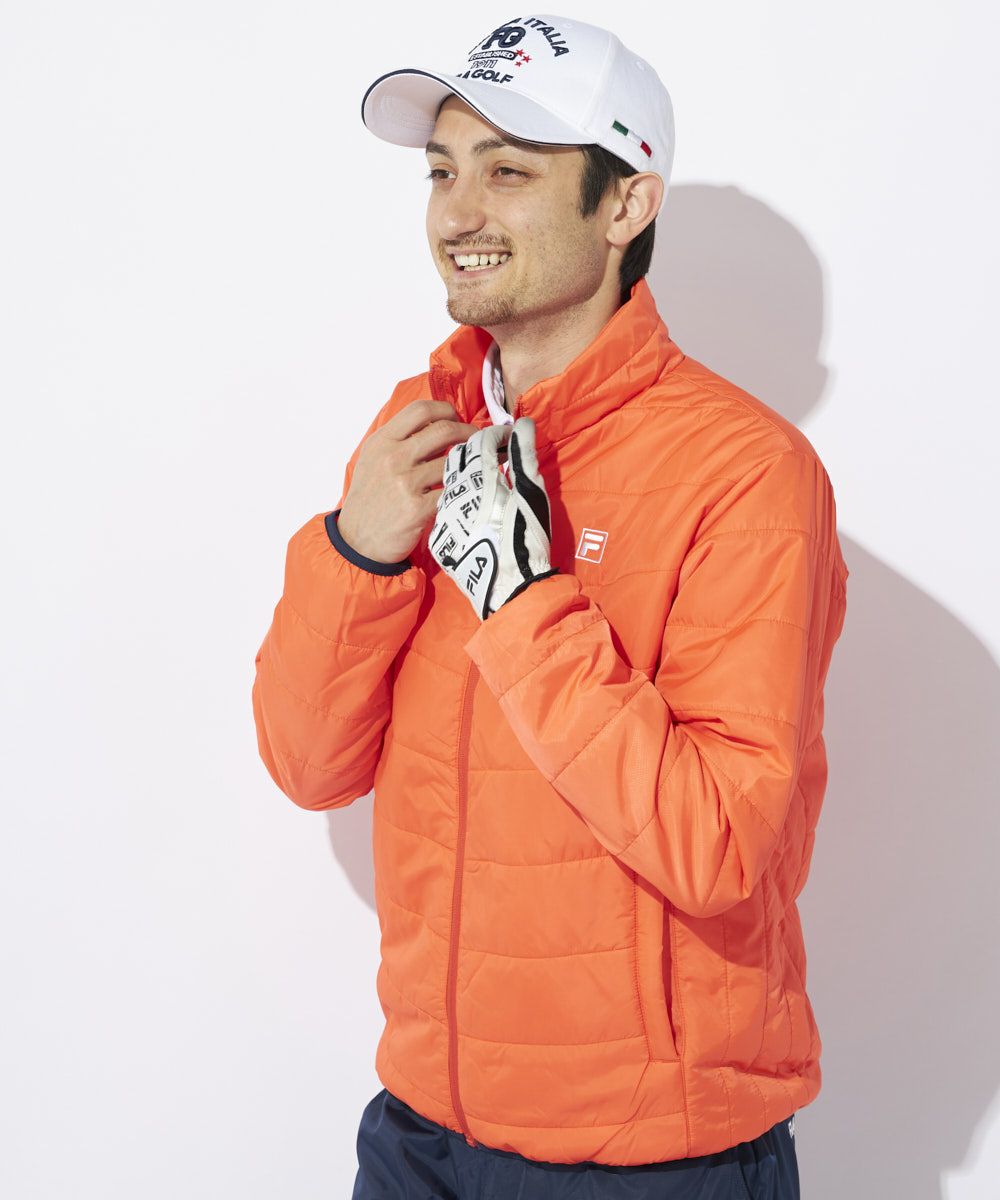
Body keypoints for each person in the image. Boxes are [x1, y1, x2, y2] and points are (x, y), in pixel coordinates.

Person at [251, 13, 849, 1198]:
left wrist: (522, 601)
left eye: (509, 172)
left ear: (625, 206)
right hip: (422, 1132)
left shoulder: (743, 472)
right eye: (441, 172)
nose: (457, 214)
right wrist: (357, 549)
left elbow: (720, 846)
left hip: (648, 1160)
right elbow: (308, 766)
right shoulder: (415, 432)